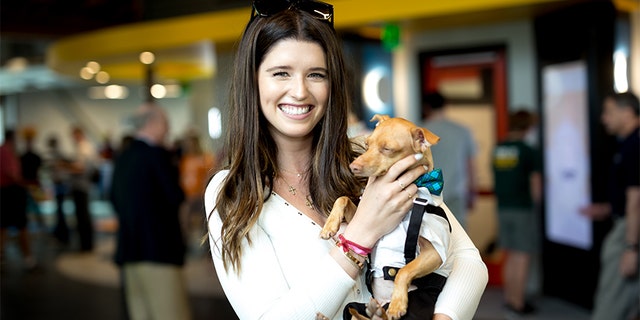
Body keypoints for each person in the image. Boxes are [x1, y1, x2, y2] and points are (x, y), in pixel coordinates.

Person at [204, 2, 488, 320]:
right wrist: (362, 233)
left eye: (316, 75)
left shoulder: (363, 158)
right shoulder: (232, 189)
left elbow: (468, 260)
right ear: (253, 81)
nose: (299, 91)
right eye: (281, 73)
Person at [110, 103, 192, 320]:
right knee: (171, 313)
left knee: (141, 314)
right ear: (152, 123)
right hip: (159, 251)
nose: (168, 129)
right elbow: (175, 196)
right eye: (165, 123)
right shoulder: (157, 155)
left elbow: (113, 198)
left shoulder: (124, 156)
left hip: (129, 249)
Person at [580, 91, 639, 320]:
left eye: (608, 112)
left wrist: (630, 248)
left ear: (627, 112)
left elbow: (636, 200)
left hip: (629, 231)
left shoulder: (635, 145)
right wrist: (606, 209)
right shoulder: (627, 145)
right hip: (626, 223)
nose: (604, 118)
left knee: (610, 305)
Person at [491, 110, 542, 316]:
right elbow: (536, 183)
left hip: (503, 207)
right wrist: (537, 205)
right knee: (522, 256)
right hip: (522, 208)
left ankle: (509, 298)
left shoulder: (499, 148)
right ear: (527, 127)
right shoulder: (527, 150)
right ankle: (518, 302)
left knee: (510, 255)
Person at [422, 91, 477, 228]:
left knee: (430, 238)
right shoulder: (462, 131)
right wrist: (473, 191)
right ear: (445, 106)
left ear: (426, 107)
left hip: (427, 194)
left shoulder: (419, 132)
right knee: (458, 239)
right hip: (456, 193)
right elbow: (470, 165)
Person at [0, 129, 36, 270]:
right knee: (20, 226)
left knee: (4, 227)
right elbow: (11, 173)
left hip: (10, 192)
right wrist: (24, 182)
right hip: (10, 193)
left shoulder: (9, 152)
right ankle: (28, 260)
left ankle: (23, 258)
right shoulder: (5, 152)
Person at [178, 130, 216, 255]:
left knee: (204, 221)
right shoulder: (184, 159)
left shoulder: (205, 158)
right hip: (187, 196)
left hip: (201, 195)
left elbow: (209, 176)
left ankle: (207, 247)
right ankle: (188, 246)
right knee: (186, 221)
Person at [65, 126, 98, 252]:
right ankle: (85, 243)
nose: (72, 138)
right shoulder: (81, 147)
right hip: (79, 185)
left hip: (82, 186)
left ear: (79, 134)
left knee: (83, 217)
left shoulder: (85, 148)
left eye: (74, 135)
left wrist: (66, 166)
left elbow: (81, 168)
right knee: (81, 216)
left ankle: (86, 244)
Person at [43, 134, 71, 245]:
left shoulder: (56, 155)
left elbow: (58, 169)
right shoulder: (56, 154)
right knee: (59, 211)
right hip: (58, 184)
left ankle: (62, 234)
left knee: (60, 211)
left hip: (60, 184)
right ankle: (61, 233)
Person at [19, 126, 45, 229]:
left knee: (38, 208)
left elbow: (39, 170)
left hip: (35, 184)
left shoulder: (36, 156)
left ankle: (41, 228)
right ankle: (25, 230)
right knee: (25, 208)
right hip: (26, 184)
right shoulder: (22, 156)